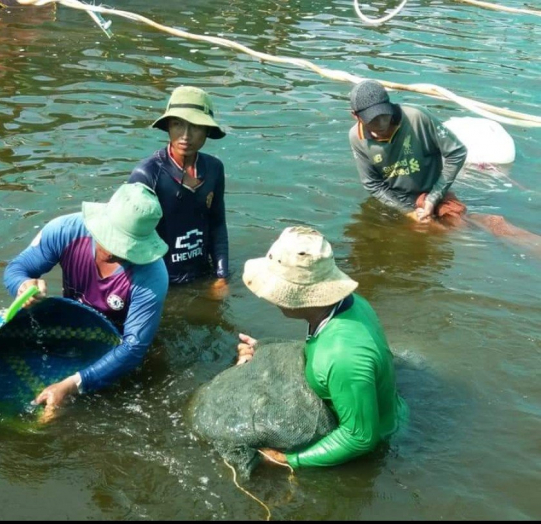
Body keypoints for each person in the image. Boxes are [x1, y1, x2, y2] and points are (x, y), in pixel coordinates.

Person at [236, 226, 408, 468]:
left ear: (298, 297)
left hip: (379, 441)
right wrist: (265, 349)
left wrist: (289, 460)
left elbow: (359, 438)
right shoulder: (350, 305)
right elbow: (321, 345)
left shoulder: (343, 357)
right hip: (383, 406)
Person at [3, 182, 169, 419]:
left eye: (125, 247)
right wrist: (24, 286)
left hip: (115, 344)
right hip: (71, 324)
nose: (113, 252)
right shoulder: (64, 230)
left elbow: (133, 347)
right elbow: (17, 269)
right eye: (110, 240)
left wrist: (72, 386)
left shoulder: (152, 276)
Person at [128, 86, 229, 298]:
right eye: (177, 124)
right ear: (167, 127)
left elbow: (218, 224)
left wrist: (221, 276)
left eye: (195, 126)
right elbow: (129, 238)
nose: (185, 136)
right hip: (161, 280)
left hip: (203, 275)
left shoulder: (214, 168)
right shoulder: (147, 174)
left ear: (208, 131)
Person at [348, 79, 468, 224]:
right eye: (373, 120)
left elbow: (457, 152)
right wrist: (407, 212)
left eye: (384, 115)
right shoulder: (356, 137)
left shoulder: (417, 118)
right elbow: (372, 183)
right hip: (396, 199)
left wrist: (433, 198)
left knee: (461, 225)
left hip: (433, 192)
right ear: (356, 116)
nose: (381, 124)